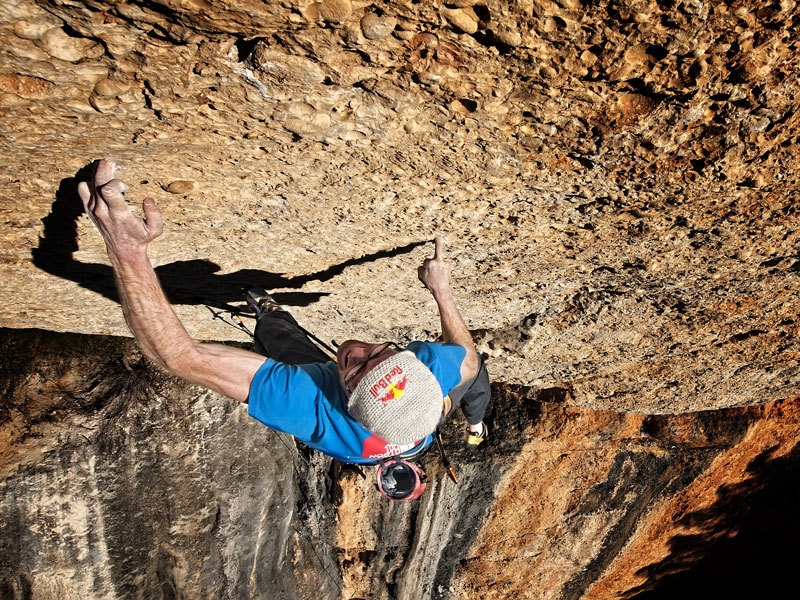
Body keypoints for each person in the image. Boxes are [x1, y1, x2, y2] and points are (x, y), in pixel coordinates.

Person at [78, 159, 490, 467]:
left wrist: (126, 250)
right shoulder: (432, 370)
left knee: (287, 347)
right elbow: (469, 360)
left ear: (347, 401)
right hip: (409, 423)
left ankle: (270, 316)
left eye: (354, 371)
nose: (356, 352)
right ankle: (274, 317)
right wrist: (442, 291)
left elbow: (178, 357)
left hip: (347, 428)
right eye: (379, 353)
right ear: (414, 363)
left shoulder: (314, 410)